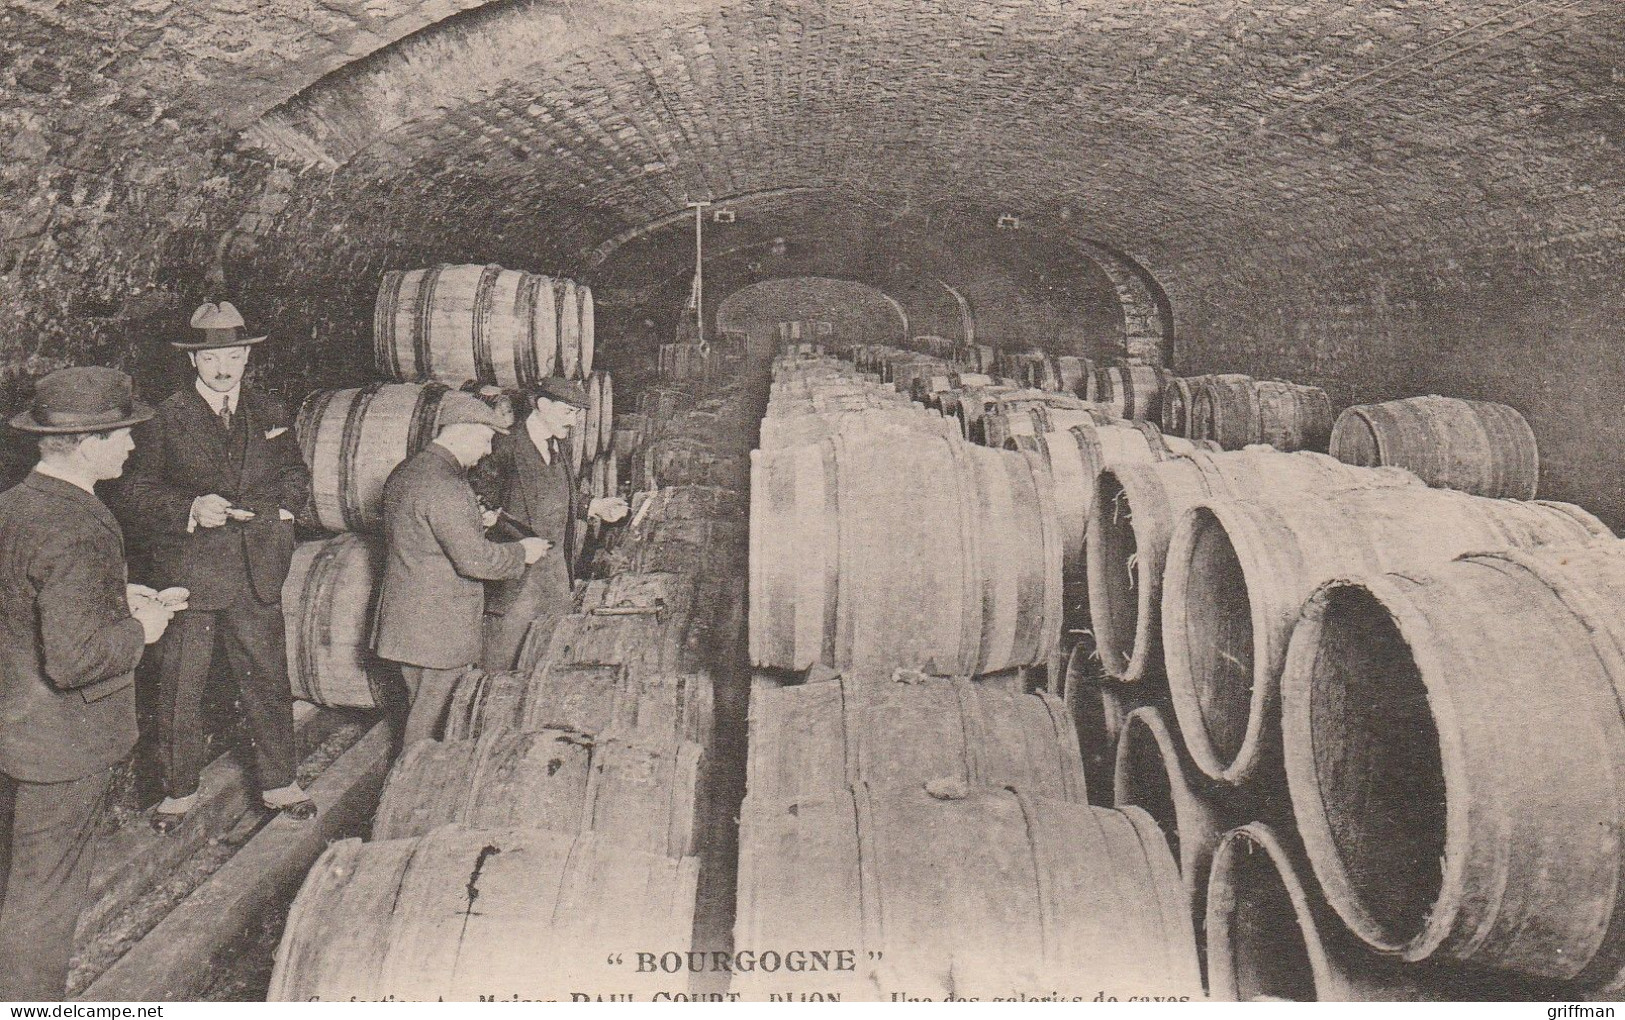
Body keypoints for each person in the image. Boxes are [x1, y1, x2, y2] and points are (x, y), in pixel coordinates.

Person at [0, 367, 179, 999]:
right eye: (123, 434)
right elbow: (74, 661)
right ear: (88, 442)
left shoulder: (16, 504)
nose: (132, 447)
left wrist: (113, 596)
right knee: (44, 901)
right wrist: (141, 628)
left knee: (15, 880)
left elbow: (23, 604)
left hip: (16, 730)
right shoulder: (82, 522)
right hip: (65, 746)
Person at [122, 301, 315, 833]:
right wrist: (188, 508)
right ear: (193, 362)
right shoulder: (165, 417)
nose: (223, 367)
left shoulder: (270, 408)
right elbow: (134, 490)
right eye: (211, 358)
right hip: (193, 573)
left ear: (248, 357)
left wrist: (284, 508)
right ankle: (178, 793)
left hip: (257, 567)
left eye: (232, 355)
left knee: (268, 679)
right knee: (181, 686)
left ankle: (281, 783)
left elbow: (296, 471)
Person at [373, 392, 550, 744]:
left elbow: (422, 537)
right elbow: (476, 561)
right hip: (439, 633)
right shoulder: (446, 486)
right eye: (485, 439)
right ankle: (413, 795)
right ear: (463, 431)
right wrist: (521, 552)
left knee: (419, 714)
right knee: (429, 733)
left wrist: (474, 524)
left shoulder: (408, 471)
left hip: (410, 627)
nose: (486, 451)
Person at [475, 379, 629, 671]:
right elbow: (480, 506)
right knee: (501, 669)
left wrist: (594, 506)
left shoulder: (560, 444)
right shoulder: (504, 446)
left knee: (546, 668)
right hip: (515, 585)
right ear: (543, 405)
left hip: (555, 579)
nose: (573, 422)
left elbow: (558, 493)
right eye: (569, 412)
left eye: (577, 415)